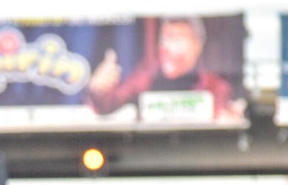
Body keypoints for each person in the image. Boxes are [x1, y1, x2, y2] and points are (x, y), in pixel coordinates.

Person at [86, 16, 246, 121]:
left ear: (197, 45)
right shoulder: (147, 76)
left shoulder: (217, 86)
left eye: (176, 39)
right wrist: (98, 89)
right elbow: (107, 105)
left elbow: (230, 115)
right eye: (164, 39)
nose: (166, 47)